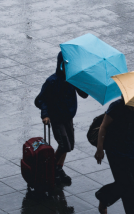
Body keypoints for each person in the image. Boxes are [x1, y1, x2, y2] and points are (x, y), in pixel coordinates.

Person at [94, 96, 134, 214]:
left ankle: (104, 196)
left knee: (125, 184)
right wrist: (100, 148)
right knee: (129, 189)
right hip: (115, 152)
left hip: (132, 153)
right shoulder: (116, 107)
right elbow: (103, 127)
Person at [36, 51, 88, 184]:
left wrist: (83, 81)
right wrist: (46, 114)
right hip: (57, 118)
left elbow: (84, 94)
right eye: (65, 66)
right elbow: (41, 100)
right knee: (64, 145)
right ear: (60, 65)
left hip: (68, 117)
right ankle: (51, 168)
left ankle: (58, 168)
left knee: (69, 145)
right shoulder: (52, 81)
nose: (68, 69)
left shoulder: (73, 80)